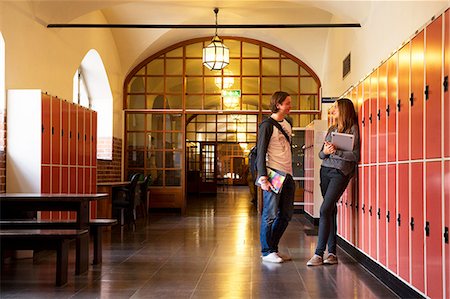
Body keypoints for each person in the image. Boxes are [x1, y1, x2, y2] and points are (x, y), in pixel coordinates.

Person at [307, 98, 360, 266]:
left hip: (340, 173)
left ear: (343, 109)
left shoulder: (353, 129)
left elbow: (355, 156)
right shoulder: (331, 129)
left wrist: (337, 152)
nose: (333, 110)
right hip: (325, 171)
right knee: (329, 210)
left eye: (336, 108)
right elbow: (321, 155)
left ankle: (318, 253)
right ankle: (332, 253)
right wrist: (326, 151)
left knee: (324, 209)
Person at [256, 91, 296, 263]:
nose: (290, 106)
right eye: (287, 103)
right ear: (278, 104)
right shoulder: (267, 125)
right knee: (270, 214)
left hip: (288, 174)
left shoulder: (288, 124)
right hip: (274, 173)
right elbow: (260, 152)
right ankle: (266, 251)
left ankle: (273, 249)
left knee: (286, 214)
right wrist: (263, 177)